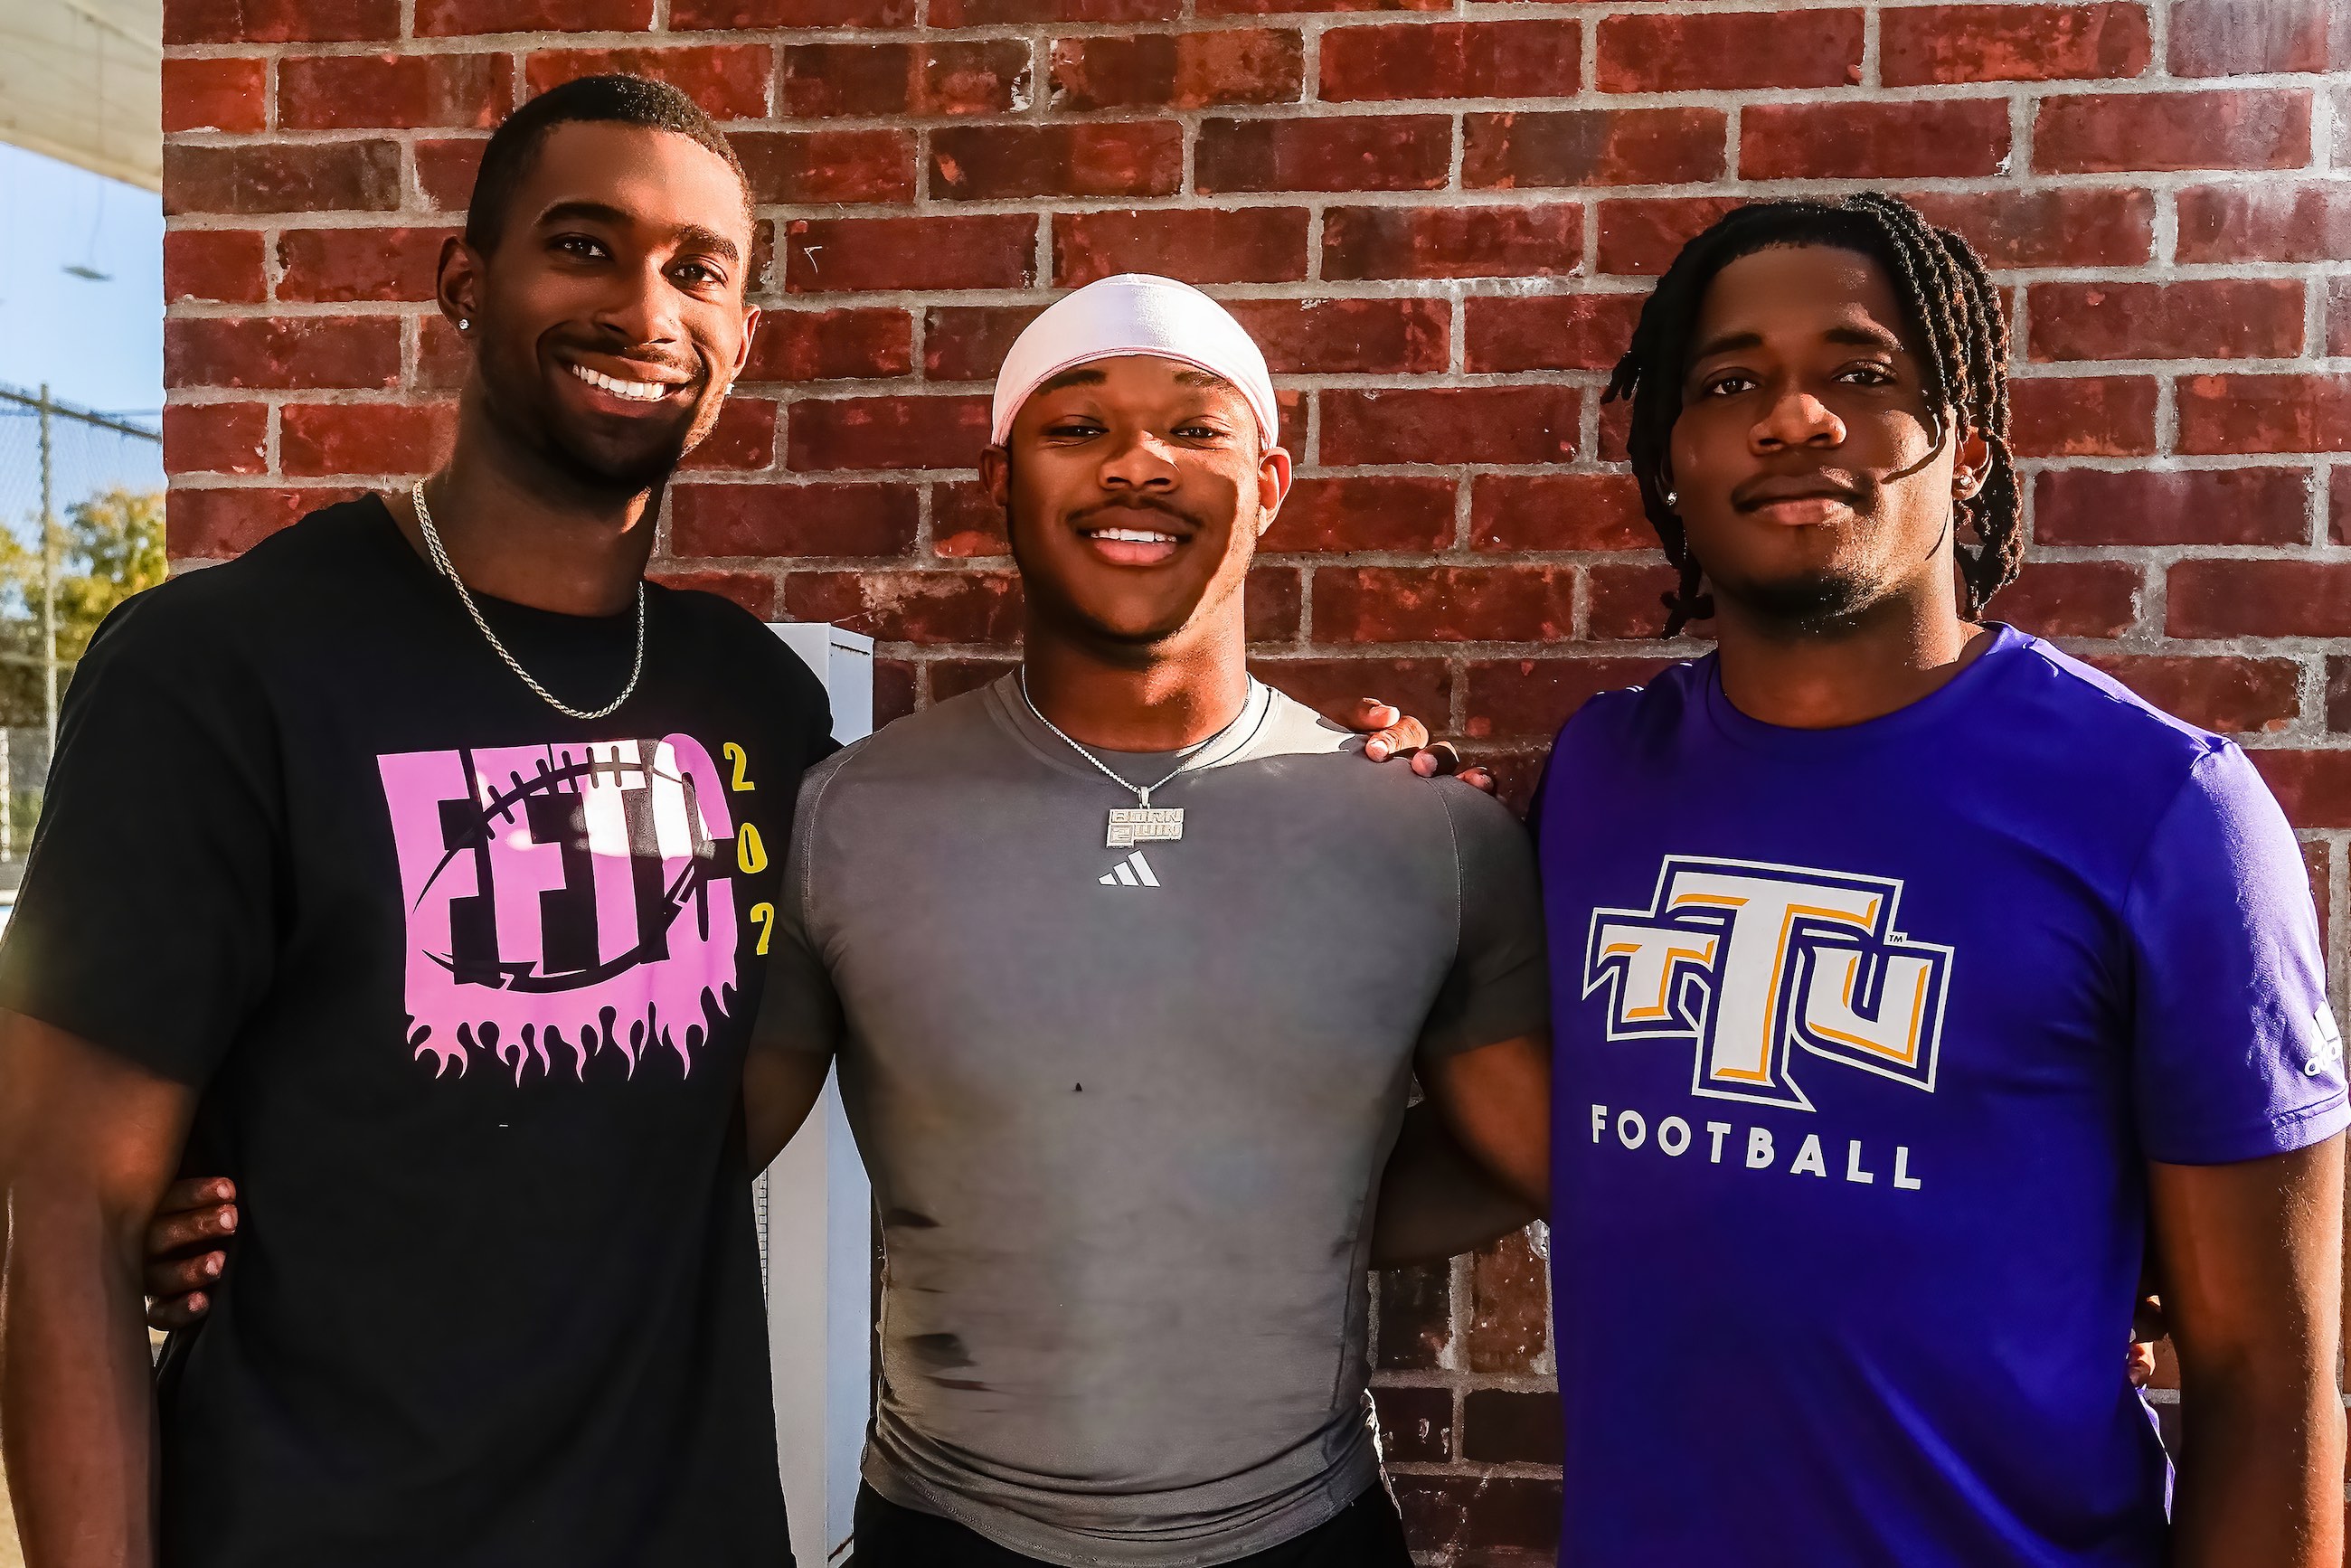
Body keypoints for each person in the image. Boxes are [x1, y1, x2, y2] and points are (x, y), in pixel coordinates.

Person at [1, 79, 1461, 1568]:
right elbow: (63, 1213)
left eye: (698, 270)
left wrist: (1359, 781)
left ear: (739, 341)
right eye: (583, 246)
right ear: (465, 281)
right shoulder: (219, 667)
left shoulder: (751, 706)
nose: (644, 306)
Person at [1527, 194, 2346, 1565]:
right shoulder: (1601, 774)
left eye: (1862, 374)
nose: (1797, 418)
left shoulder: (2162, 804)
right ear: (1670, 459)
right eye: (1731, 383)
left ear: (1966, 450)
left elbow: (2270, 1377)